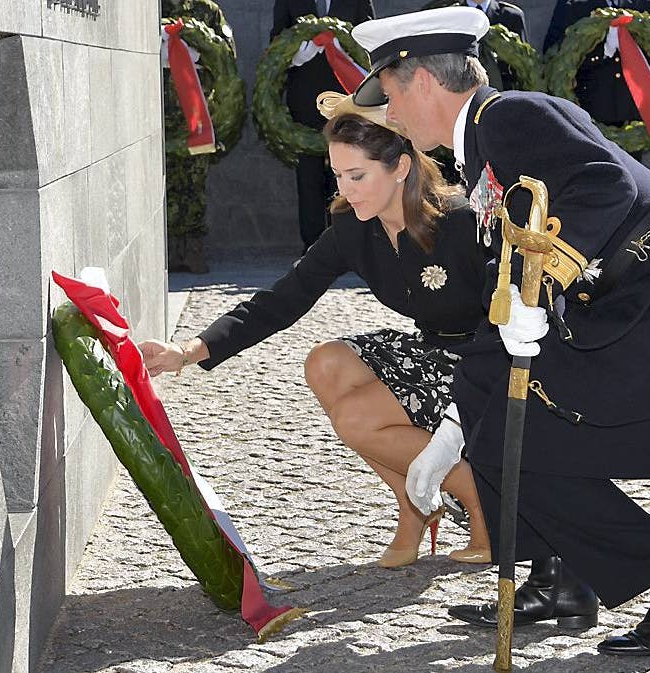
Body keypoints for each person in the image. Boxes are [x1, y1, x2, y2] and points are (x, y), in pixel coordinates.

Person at [350, 6, 650, 656]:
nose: (391, 116)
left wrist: (544, 281)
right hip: (643, 286)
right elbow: (504, 303)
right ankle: (564, 577)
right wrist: (452, 425)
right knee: (494, 417)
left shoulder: (510, 116)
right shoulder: (486, 141)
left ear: (418, 79)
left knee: (506, 430)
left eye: (388, 96)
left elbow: (601, 189)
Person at [141, 94, 493, 568]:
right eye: (339, 176)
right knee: (324, 362)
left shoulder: (462, 222)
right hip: (430, 352)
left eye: (358, 176)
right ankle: (414, 507)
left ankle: (481, 507)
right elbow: (283, 299)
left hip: (485, 362)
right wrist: (187, 350)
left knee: (355, 420)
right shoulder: (353, 227)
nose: (347, 190)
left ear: (401, 168)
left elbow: (515, 310)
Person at [272, 0, 375, 252]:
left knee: (348, 172)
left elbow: (372, 37)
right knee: (308, 175)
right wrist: (298, 54)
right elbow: (277, 38)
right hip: (304, 98)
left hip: (347, 97)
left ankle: (348, 243)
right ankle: (314, 245)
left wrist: (346, 49)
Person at [543, 0, 650, 160]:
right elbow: (554, 53)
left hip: (630, 110)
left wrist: (632, 47)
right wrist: (602, 52)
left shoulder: (643, 3)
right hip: (591, 108)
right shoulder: (573, 4)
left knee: (633, 176)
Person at [452, 0, 529, 91]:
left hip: (503, 92)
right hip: (462, 90)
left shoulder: (511, 16)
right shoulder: (452, 16)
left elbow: (524, 65)